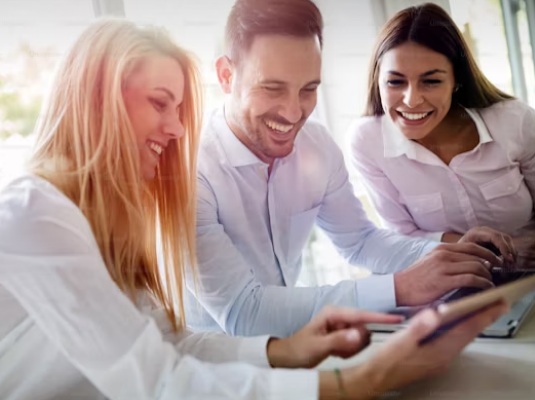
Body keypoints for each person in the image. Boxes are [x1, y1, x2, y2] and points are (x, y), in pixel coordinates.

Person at [0, 17, 509, 400]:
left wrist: (442, 250)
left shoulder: (99, 220)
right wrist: (359, 379)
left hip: (231, 369)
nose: (176, 129)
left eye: (308, 89)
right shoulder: (36, 211)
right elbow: (162, 378)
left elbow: (169, 344)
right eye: (159, 103)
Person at [188, 0, 514, 337]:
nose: (293, 112)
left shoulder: (316, 144)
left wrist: (451, 254)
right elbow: (244, 313)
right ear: (226, 76)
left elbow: (360, 241)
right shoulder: (188, 172)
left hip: (294, 344)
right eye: (272, 88)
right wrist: (399, 288)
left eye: (309, 89)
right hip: (211, 358)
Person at [348, 3, 535, 265]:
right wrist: (466, 244)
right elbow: (400, 236)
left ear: (456, 80)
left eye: (431, 81)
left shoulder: (514, 121)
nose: (412, 100)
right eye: (395, 81)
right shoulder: (367, 142)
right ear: (378, 80)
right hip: (448, 280)